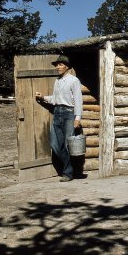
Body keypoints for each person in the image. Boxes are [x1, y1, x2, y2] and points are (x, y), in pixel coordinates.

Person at [35, 54, 83, 182]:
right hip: (57, 113)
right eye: (57, 65)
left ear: (67, 66)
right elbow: (55, 99)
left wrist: (77, 117)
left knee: (67, 144)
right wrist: (43, 97)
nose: (58, 67)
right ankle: (71, 169)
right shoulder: (57, 81)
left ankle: (68, 173)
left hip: (69, 113)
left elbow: (78, 100)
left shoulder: (74, 81)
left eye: (60, 64)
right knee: (55, 144)